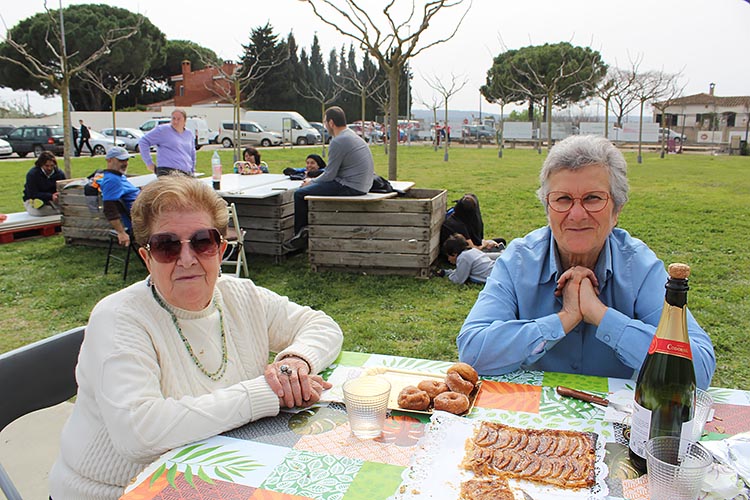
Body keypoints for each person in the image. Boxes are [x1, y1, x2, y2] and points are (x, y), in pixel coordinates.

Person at [49, 174, 343, 499]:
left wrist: (295, 361)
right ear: (147, 258)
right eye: (167, 246)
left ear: (220, 250)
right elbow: (139, 433)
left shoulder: (240, 295)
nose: (187, 259)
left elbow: (322, 326)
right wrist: (265, 393)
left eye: (202, 241)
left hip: (222, 472)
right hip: (121, 489)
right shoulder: (119, 318)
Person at [457, 135, 716, 389]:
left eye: (593, 198)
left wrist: (601, 315)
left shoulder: (639, 267)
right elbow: (472, 352)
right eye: (563, 199)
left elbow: (699, 371)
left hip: (616, 413)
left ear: (617, 210)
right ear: (547, 208)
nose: (577, 214)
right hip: (530, 413)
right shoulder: (518, 261)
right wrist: (564, 318)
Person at [285, 106, 374, 250]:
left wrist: (311, 182)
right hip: (362, 184)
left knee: (300, 194)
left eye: (325, 122)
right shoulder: (350, 135)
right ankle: (306, 232)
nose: (325, 126)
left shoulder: (338, 141)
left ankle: (300, 238)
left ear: (331, 123)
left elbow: (329, 175)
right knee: (311, 189)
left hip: (350, 186)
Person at [100, 146, 140, 247]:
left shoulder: (118, 176)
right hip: (143, 220)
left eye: (126, 160)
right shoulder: (112, 180)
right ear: (109, 160)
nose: (125, 163)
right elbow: (109, 209)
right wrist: (121, 233)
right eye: (121, 160)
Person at [138, 108, 196, 176]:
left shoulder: (189, 134)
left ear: (184, 121)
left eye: (179, 119)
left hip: (186, 172)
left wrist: (192, 170)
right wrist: (149, 163)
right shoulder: (163, 130)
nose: (175, 121)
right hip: (168, 171)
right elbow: (143, 141)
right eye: (173, 118)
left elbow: (192, 153)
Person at [440, 193, 505, 253]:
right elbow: (473, 249)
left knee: (500, 241)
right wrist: (484, 244)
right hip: (460, 254)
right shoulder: (457, 225)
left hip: (467, 248)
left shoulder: (458, 218)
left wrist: (487, 242)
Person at [22, 151, 66, 216]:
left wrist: (57, 195)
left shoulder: (59, 173)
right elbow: (32, 193)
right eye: (46, 166)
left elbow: (63, 188)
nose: (49, 168)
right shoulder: (32, 174)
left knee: (65, 209)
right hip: (35, 200)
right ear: (41, 164)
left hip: (53, 200)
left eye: (52, 165)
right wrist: (50, 196)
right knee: (42, 212)